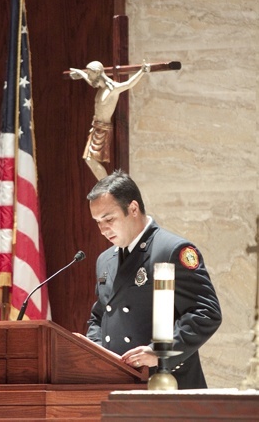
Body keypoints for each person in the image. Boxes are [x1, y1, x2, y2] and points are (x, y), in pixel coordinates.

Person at [86, 170, 222, 389]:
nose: (103, 229)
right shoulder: (105, 260)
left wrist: (160, 351)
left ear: (133, 209)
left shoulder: (171, 250)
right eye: (97, 222)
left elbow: (206, 313)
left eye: (109, 219)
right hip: (119, 381)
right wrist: (96, 351)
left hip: (166, 383)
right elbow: (99, 317)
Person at [70, 61, 150, 180]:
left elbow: (128, 84)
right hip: (96, 127)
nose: (89, 76)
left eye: (90, 73)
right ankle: (105, 185)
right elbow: (90, 80)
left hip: (102, 129)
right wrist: (81, 73)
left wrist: (142, 71)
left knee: (90, 160)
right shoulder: (100, 87)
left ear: (97, 73)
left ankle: (106, 185)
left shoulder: (113, 88)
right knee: (88, 159)